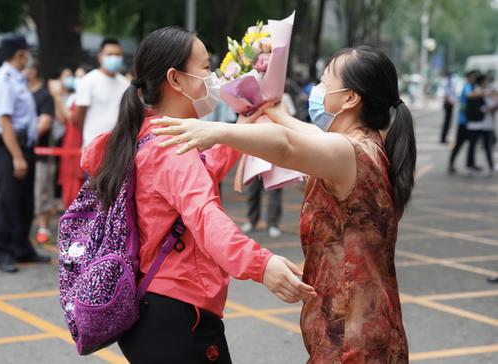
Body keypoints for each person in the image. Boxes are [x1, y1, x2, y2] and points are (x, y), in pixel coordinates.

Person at [153, 45, 415, 363]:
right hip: (354, 323)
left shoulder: (351, 152)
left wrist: (216, 131)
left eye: (325, 82)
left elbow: (288, 146)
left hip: (353, 336)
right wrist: (273, 113)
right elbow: (306, 133)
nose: (317, 90)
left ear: (350, 98)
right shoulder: (365, 144)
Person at [80, 27, 315, 363]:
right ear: (175, 79)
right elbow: (205, 216)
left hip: (152, 310)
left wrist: (240, 129)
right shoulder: (172, 147)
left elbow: (198, 173)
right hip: (178, 315)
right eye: (206, 69)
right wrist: (262, 265)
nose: (213, 79)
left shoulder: (150, 133)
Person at [0, 35, 51, 273]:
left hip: (25, 145)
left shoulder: (17, 79)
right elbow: (4, 121)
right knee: (7, 202)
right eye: (27, 52)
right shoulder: (4, 80)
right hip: (11, 147)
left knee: (25, 202)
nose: (29, 57)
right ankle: (2, 252)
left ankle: (21, 248)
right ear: (19, 54)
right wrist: (16, 156)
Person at [241, 91, 296, 239]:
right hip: (255, 151)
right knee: (253, 190)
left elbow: (290, 120)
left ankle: (273, 224)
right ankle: (252, 220)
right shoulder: (252, 98)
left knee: (274, 191)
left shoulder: (283, 98)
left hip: (274, 151)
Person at [74, 38, 129, 148]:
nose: (114, 58)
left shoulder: (125, 84)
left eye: (117, 55)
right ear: (100, 56)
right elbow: (78, 116)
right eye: (110, 54)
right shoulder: (89, 80)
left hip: (118, 146)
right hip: (93, 145)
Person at [26, 61, 56, 244]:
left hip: (40, 154)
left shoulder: (44, 96)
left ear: (33, 71)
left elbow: (44, 124)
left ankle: (44, 227)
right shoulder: (20, 94)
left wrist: (22, 135)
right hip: (20, 152)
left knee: (41, 192)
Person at [50, 68, 83, 209]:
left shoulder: (83, 99)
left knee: (77, 186)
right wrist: (57, 97)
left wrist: (57, 95)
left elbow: (73, 118)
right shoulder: (72, 97)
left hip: (79, 143)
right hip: (68, 144)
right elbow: (61, 117)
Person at [448, 70, 483, 174]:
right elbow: (469, 95)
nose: (473, 79)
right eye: (472, 77)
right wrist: (484, 93)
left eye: (474, 77)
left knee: (472, 144)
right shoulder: (467, 87)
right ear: (468, 78)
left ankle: (471, 164)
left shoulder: (474, 87)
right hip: (463, 121)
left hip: (471, 121)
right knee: (459, 144)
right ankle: (451, 163)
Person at [466, 74, 498, 175]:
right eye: (485, 80)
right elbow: (471, 96)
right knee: (472, 145)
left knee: (488, 145)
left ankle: (491, 165)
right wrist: (486, 95)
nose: (487, 82)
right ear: (481, 81)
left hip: (486, 124)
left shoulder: (489, 91)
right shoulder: (475, 90)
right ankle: (470, 165)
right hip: (475, 124)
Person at [440, 70, 456, 144]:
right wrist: (449, 101)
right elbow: (447, 94)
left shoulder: (448, 82)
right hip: (448, 103)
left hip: (449, 103)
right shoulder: (448, 82)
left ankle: (444, 137)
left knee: (448, 122)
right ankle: (443, 138)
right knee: (447, 122)